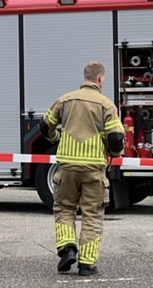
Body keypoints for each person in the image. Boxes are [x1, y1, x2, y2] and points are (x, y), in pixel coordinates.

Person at [39, 61, 125, 275]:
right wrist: (114, 154)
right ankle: (87, 264)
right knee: (92, 214)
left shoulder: (65, 100)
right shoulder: (106, 105)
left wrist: (55, 137)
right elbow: (116, 138)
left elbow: (44, 126)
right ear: (100, 79)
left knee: (64, 208)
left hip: (66, 168)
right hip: (93, 169)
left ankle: (67, 248)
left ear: (85, 77)